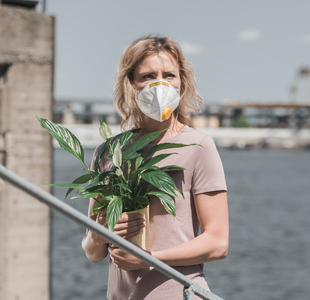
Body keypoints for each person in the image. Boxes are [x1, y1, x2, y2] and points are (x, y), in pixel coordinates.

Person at [82, 35, 229, 300]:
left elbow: (217, 243)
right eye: (148, 76)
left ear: (181, 83)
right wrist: (99, 231)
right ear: (131, 85)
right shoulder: (109, 152)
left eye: (169, 75)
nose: (160, 84)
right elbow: (93, 253)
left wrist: (148, 258)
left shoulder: (199, 146)